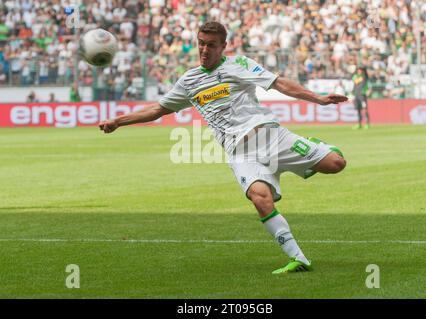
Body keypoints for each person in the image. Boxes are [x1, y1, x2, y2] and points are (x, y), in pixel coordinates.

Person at [99, 22, 348, 274]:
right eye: (201, 43)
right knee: (260, 199)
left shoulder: (238, 65)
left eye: (211, 45)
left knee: (336, 164)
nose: (204, 50)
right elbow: (157, 109)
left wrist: (317, 98)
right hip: (240, 152)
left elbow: (278, 83)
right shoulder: (189, 80)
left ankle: (316, 146)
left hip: (271, 137)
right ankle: (298, 258)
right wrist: (118, 121)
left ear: (223, 46)